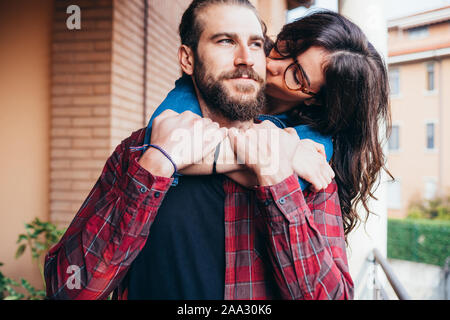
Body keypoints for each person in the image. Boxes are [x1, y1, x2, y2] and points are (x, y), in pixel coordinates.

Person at [43, 0, 389, 300]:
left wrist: (278, 176)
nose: (261, 62)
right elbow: (67, 289)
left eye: (256, 44)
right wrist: (156, 166)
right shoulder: (141, 150)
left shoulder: (310, 167)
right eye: (225, 41)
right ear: (187, 59)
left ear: (313, 100)